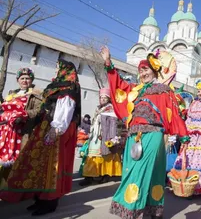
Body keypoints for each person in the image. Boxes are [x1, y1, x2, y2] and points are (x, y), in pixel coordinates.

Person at [100, 46, 189, 219]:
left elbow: (175, 113)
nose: (143, 73)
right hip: (134, 135)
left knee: (139, 171)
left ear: (154, 71)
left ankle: (132, 210)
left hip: (153, 134)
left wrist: (183, 135)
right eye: (140, 70)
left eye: (146, 69)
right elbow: (119, 85)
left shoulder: (164, 90)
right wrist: (108, 63)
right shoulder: (135, 90)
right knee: (140, 171)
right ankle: (153, 210)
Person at [0, 60, 81, 216]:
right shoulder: (54, 87)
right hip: (44, 126)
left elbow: (65, 111)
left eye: (58, 67)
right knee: (39, 165)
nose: (56, 69)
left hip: (54, 128)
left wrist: (55, 129)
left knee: (51, 165)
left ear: (65, 70)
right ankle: (39, 198)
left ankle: (50, 202)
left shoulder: (69, 88)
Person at [0, 68, 42, 189]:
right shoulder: (12, 93)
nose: (24, 81)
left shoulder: (36, 93)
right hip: (7, 130)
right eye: (22, 78)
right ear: (18, 80)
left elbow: (39, 110)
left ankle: (17, 188)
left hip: (23, 131)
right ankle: (4, 185)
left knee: (19, 161)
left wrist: (24, 116)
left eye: (27, 78)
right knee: (4, 158)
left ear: (31, 80)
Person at [80, 88, 122, 186]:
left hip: (104, 135)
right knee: (91, 156)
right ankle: (88, 176)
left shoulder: (111, 108)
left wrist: (111, 137)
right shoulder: (98, 108)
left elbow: (113, 124)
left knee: (103, 155)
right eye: (101, 97)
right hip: (94, 135)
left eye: (104, 97)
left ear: (108, 99)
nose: (102, 99)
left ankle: (104, 175)